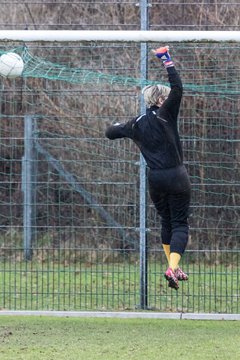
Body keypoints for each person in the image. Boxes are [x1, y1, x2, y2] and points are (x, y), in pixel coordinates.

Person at [105, 46, 191, 290]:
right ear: (161, 100)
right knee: (180, 224)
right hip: (176, 176)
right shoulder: (166, 114)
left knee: (166, 222)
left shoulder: (136, 124)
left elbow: (110, 132)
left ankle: (173, 268)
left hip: (155, 181)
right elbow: (178, 88)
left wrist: (119, 125)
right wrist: (167, 60)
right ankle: (172, 267)